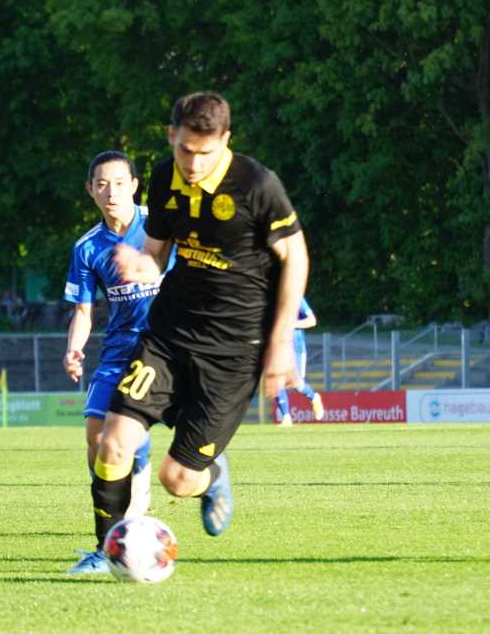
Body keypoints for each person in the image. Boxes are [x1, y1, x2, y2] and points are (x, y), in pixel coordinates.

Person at [85, 91, 309, 564]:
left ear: (225, 140)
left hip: (233, 350)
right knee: (112, 441)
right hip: (168, 334)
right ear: (172, 137)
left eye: (205, 152)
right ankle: (107, 553)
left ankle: (212, 476)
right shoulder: (165, 180)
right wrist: (140, 266)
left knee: (178, 480)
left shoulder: (257, 185)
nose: (193, 163)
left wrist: (281, 342)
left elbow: (297, 258)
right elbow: (156, 256)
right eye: (185, 149)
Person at [63, 151, 172, 574]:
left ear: (135, 185)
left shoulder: (162, 226)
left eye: (119, 183)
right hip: (118, 351)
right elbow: (84, 312)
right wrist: (74, 349)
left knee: (181, 466)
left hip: (168, 348)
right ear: (90, 189)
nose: (111, 192)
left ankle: (108, 542)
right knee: (96, 438)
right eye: (101, 184)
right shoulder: (88, 247)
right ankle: (115, 531)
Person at [274, 298, 325, 426]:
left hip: (296, 346)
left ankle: (314, 398)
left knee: (297, 385)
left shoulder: (296, 297)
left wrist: (292, 324)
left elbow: (312, 321)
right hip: (278, 345)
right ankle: (286, 418)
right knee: (276, 379)